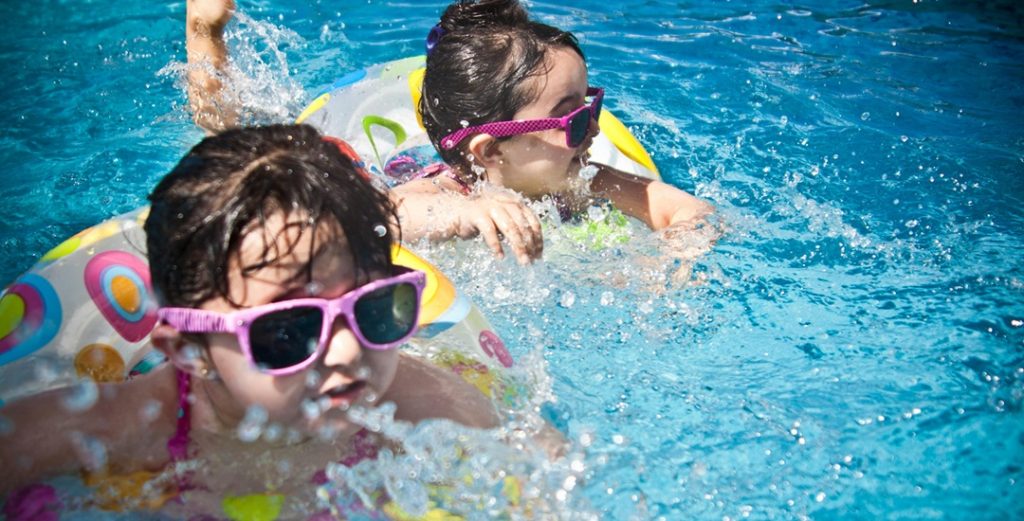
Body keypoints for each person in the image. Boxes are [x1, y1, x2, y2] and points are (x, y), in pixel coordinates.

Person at [0, 124, 498, 517]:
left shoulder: (424, 406)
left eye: (373, 309)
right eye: (289, 330)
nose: (348, 352)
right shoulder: (108, 433)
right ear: (187, 351)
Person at [184, 0, 713, 266]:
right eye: (574, 119)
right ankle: (205, 35)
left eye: (591, 107)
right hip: (387, 172)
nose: (592, 131)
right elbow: (377, 223)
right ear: (490, 149)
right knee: (228, 148)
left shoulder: (587, 179)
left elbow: (685, 211)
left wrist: (676, 259)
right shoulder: (446, 190)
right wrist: (461, 214)